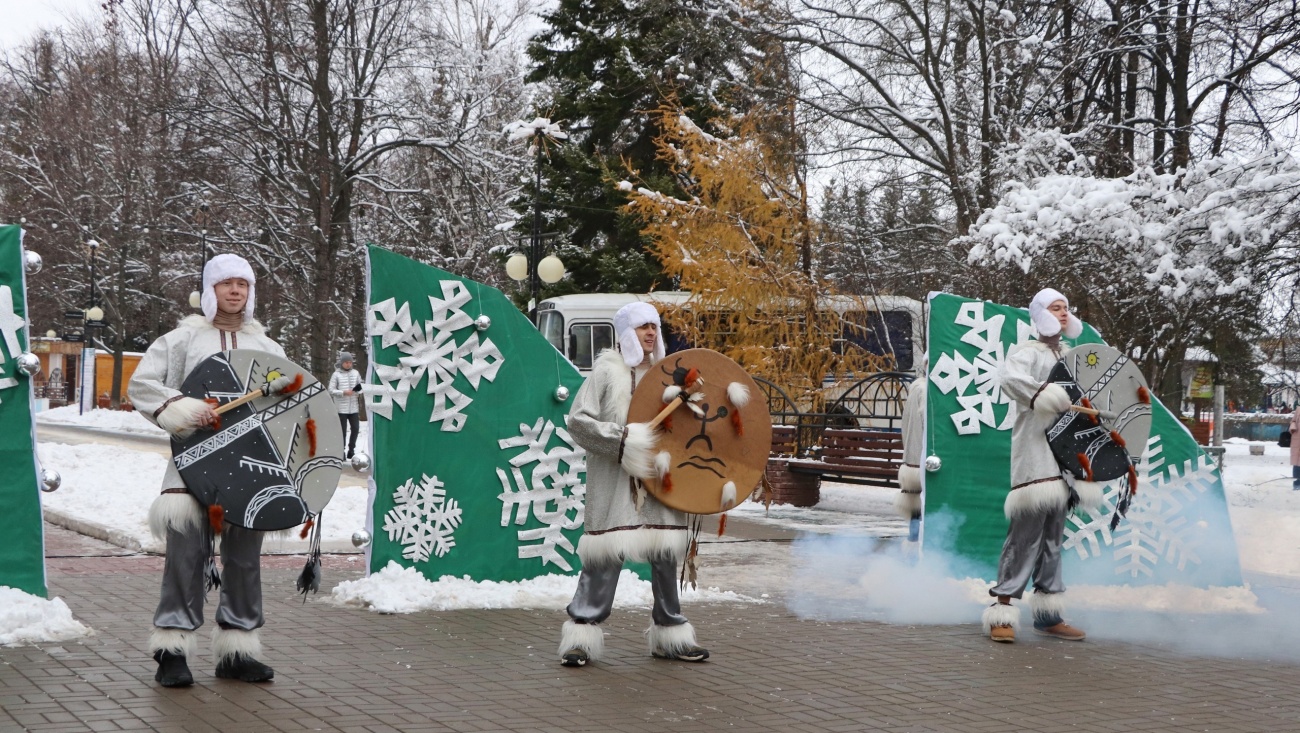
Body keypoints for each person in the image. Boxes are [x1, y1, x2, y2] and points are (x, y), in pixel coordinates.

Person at [129, 254, 287, 687]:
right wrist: (184, 409)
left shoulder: (269, 349)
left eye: (243, 284)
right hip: (193, 463)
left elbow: (288, 402)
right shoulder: (181, 340)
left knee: (244, 559)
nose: (235, 291)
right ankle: (172, 651)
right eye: (226, 283)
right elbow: (143, 385)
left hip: (251, 467)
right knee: (186, 555)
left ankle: (238, 651)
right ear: (209, 290)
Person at [557, 302, 709, 667]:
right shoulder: (606, 372)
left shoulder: (670, 376)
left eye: (654, 327)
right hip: (615, 479)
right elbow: (578, 421)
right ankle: (582, 634)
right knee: (605, 553)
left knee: (665, 554)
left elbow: (690, 431)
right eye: (643, 327)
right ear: (626, 332)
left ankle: (671, 636)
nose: (651, 333)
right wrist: (624, 440)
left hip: (660, 478)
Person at [981, 288, 1101, 644]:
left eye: (1066, 307)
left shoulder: (1072, 355)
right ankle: (1001, 611)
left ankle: (1049, 616)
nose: (1063, 313)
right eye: (1056, 308)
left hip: (1065, 459)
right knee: (1025, 536)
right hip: (1035, 455)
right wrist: (1044, 396)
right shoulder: (1025, 353)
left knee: (1052, 538)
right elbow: (1010, 381)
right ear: (1041, 314)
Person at [329, 351, 363, 458]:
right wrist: (343, 392)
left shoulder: (356, 373)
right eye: (346, 362)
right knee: (342, 432)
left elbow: (361, 387)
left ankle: (351, 449)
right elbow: (330, 390)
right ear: (342, 363)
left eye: (350, 362)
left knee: (356, 429)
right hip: (340, 409)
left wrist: (358, 391)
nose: (348, 364)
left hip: (353, 408)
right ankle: (341, 451)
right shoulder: (336, 375)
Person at [1290, 405, 1300, 490]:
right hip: (1298, 438)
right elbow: (1293, 421)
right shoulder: (1298, 409)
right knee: (1297, 462)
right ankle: (1297, 483)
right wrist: (1293, 428)